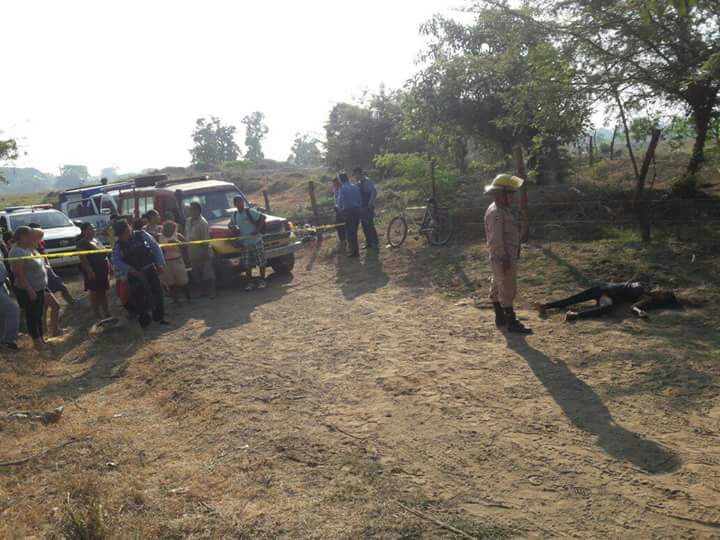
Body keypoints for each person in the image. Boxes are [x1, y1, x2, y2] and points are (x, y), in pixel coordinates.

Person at [484, 174, 532, 334]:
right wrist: (503, 258)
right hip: (503, 256)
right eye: (510, 194)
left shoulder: (502, 210)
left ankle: (500, 317)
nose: (513, 197)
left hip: (504, 254)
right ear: (500, 194)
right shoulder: (496, 212)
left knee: (498, 285)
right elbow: (496, 239)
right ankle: (511, 322)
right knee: (507, 287)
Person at [112, 219, 168, 328]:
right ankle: (144, 322)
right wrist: (129, 269)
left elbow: (155, 247)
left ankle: (159, 318)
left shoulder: (142, 235)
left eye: (123, 233)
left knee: (157, 293)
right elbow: (115, 260)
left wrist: (160, 264)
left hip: (149, 269)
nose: (122, 236)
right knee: (138, 298)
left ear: (129, 229)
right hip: (134, 274)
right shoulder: (118, 244)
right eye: (119, 234)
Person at [535, 282, 681, 321]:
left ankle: (576, 315)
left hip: (607, 295)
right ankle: (547, 306)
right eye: (662, 290)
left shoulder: (646, 298)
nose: (660, 291)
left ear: (661, 299)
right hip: (602, 288)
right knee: (574, 298)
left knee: (606, 308)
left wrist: (640, 312)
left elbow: (633, 307)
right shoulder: (644, 286)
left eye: (663, 294)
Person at [9, 226, 48, 350]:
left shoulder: (31, 248)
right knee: (32, 316)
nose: (33, 237)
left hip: (39, 287)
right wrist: (29, 289)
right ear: (22, 237)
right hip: (28, 289)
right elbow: (18, 273)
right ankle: (37, 343)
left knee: (39, 314)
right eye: (30, 235)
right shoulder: (17, 251)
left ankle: (41, 339)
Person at [29, 227, 64, 337]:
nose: (40, 240)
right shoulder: (27, 250)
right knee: (55, 306)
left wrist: (44, 266)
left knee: (45, 308)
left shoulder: (34, 248)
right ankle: (53, 331)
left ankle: (46, 331)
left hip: (42, 283)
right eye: (38, 237)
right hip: (35, 285)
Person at [229, 196, 267, 291]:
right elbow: (230, 225)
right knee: (247, 265)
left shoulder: (250, 211)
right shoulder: (234, 215)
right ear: (235, 204)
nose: (239, 204)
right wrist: (232, 228)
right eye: (237, 203)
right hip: (244, 243)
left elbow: (262, 217)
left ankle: (262, 281)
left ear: (243, 202)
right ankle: (250, 283)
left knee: (261, 262)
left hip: (256, 241)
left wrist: (257, 230)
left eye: (240, 202)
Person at [78, 223, 111, 320]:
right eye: (90, 229)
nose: (93, 230)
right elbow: (83, 259)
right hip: (93, 270)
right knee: (95, 292)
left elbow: (104, 254)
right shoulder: (82, 243)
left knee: (103, 291)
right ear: (84, 231)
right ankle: (96, 314)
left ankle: (106, 313)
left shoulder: (96, 240)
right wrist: (89, 271)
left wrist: (110, 266)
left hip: (102, 269)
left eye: (93, 228)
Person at [185, 202, 216, 298]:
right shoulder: (188, 221)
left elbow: (206, 240)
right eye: (190, 209)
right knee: (196, 274)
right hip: (192, 253)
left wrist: (205, 254)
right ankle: (203, 292)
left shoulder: (203, 223)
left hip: (203, 252)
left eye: (192, 209)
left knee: (208, 274)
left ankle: (212, 292)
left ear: (197, 211)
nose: (190, 211)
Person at [158, 220, 191, 303]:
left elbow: (186, 245)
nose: (170, 229)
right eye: (167, 227)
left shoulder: (177, 236)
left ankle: (188, 298)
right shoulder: (160, 237)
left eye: (171, 227)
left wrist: (177, 242)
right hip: (166, 262)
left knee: (183, 282)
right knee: (171, 283)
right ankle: (175, 300)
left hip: (177, 260)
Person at [336, 173, 362, 258]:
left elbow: (340, 202)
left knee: (350, 232)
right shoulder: (355, 187)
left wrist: (339, 210)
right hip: (357, 210)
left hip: (348, 211)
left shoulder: (342, 189)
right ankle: (355, 250)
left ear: (340, 179)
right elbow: (359, 199)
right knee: (354, 231)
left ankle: (354, 252)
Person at [353, 167, 379, 249]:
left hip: (368, 207)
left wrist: (370, 204)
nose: (355, 176)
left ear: (360, 173)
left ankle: (374, 242)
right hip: (362, 207)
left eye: (356, 174)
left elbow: (374, 192)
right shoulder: (359, 183)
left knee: (369, 225)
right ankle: (369, 243)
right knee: (364, 226)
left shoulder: (367, 181)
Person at [0, 257, 20, 350]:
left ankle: (3, 340)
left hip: (2, 284)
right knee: (13, 310)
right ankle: (8, 341)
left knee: (3, 314)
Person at [331, 177, 346, 248]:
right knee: (338, 225)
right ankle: (342, 240)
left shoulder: (342, 188)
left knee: (342, 225)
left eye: (336, 182)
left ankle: (344, 240)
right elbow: (336, 200)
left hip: (343, 210)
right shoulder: (335, 189)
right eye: (334, 183)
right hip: (338, 210)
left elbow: (342, 200)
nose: (335, 184)